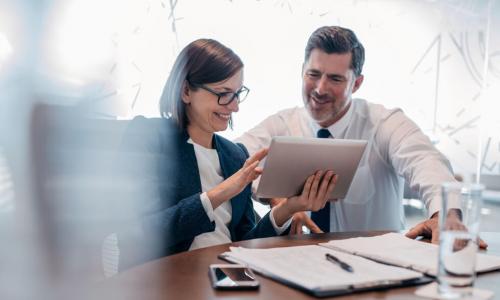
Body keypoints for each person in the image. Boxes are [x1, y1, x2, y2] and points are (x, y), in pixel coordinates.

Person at [235, 26, 487, 248]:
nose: (320, 88)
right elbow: (231, 162)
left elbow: (426, 162)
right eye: (313, 74)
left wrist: (445, 216)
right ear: (302, 71)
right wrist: (278, 201)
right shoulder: (280, 125)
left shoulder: (384, 123)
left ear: (357, 83)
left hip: (377, 271)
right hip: (296, 266)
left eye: (335, 79)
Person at [114, 38, 337, 271]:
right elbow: (136, 234)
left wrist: (287, 208)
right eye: (223, 93)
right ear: (186, 91)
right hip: (168, 280)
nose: (235, 107)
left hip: (227, 276)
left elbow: (246, 244)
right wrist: (220, 193)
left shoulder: (234, 154)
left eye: (237, 94)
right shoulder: (148, 137)